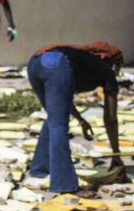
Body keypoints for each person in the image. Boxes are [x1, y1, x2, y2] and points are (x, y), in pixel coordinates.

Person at [26, 42, 124, 196]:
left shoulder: (83, 59)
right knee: (59, 126)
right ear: (114, 62)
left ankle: (40, 168)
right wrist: (116, 153)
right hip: (56, 65)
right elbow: (111, 118)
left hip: (36, 61)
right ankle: (65, 185)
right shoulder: (107, 71)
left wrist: (81, 120)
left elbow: (62, 98)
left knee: (53, 118)